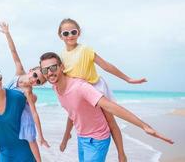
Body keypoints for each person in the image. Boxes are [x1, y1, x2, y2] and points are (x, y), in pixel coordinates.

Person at [39, 52, 173, 162]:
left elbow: (111, 107)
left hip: (97, 139)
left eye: (53, 67)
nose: (50, 72)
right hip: (81, 138)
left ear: (61, 67)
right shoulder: (56, 89)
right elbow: (72, 113)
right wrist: (65, 138)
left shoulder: (80, 87)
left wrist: (144, 126)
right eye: (45, 70)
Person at [57, 18, 147, 162]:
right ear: (60, 36)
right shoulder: (61, 56)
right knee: (74, 114)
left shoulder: (85, 50)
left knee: (110, 121)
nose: (70, 36)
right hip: (78, 93)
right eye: (65, 33)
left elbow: (106, 66)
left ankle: (121, 154)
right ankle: (67, 136)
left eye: (73, 32)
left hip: (95, 88)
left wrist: (128, 79)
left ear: (78, 33)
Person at [0, 22, 49, 162]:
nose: (34, 80)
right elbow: (13, 52)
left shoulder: (28, 91)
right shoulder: (19, 72)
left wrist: (41, 135)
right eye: (35, 76)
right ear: (31, 70)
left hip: (23, 113)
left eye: (38, 82)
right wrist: (7, 33)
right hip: (8, 108)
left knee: (30, 137)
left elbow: (34, 113)